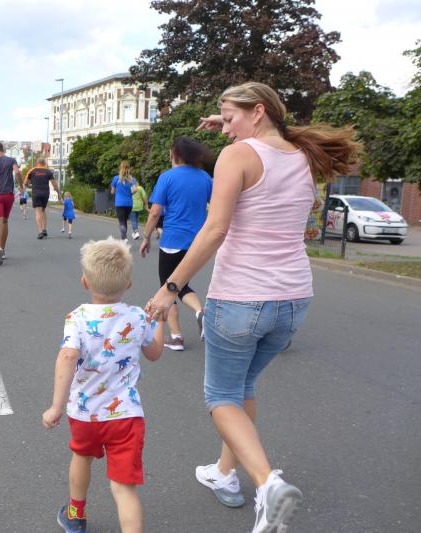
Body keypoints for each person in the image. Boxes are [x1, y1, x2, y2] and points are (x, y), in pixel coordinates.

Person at [145, 82, 357, 533]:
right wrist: (227, 121)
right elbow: (269, 143)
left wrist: (170, 287)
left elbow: (215, 229)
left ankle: (267, 484)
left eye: (229, 118)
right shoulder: (302, 156)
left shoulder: (237, 156)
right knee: (242, 388)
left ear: (257, 111)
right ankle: (224, 473)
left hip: (242, 297)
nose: (224, 129)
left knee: (221, 397)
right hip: (294, 299)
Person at [42, 237, 164, 533]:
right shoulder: (138, 317)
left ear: (85, 282)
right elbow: (154, 353)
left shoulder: (77, 318)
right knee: (124, 488)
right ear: (129, 284)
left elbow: (68, 356)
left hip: (85, 415)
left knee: (81, 457)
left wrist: (56, 406)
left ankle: (75, 514)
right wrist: (159, 322)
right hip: (126, 417)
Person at [139, 137, 214, 351]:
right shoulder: (205, 178)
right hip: (197, 242)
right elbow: (216, 206)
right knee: (181, 284)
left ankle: (177, 336)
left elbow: (155, 211)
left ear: (175, 155)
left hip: (173, 240)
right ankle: (199, 314)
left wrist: (146, 237)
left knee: (168, 287)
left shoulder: (168, 177)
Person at [0, 142, 24, 265]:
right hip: (9, 196)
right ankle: (3, 249)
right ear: (3, 149)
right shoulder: (11, 160)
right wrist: (21, 186)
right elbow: (17, 172)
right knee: (5, 221)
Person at [25, 159, 58, 239]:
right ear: (44, 163)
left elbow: (25, 183)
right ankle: (44, 229)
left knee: (38, 211)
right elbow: (54, 184)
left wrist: (29, 184)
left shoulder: (32, 171)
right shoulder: (48, 171)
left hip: (36, 193)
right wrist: (59, 194)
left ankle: (40, 232)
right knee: (43, 210)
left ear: (37, 163)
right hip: (45, 193)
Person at [110, 161, 138, 241]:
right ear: (129, 168)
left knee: (121, 221)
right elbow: (135, 190)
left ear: (120, 167)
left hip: (119, 203)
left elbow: (112, 191)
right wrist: (130, 193)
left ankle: (124, 237)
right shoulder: (132, 179)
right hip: (129, 203)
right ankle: (124, 237)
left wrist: (117, 191)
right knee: (125, 220)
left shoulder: (116, 178)